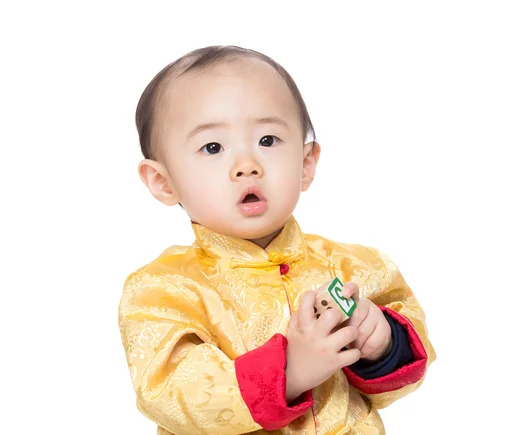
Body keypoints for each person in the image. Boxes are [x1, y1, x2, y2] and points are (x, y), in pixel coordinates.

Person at [119, 45, 436, 435]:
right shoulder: (162, 290)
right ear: (163, 182)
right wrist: (290, 371)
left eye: (268, 140)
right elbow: (170, 393)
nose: (247, 165)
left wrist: (381, 343)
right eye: (213, 147)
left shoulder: (354, 267)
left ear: (306, 165)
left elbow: (406, 364)